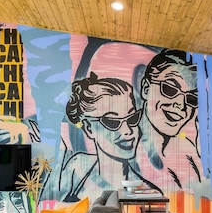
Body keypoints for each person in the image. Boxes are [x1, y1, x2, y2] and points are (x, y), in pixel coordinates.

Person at [53, 71, 151, 201]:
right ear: (89, 128)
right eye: (112, 122)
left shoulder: (145, 190)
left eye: (133, 118)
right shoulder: (77, 166)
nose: (127, 130)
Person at [135, 49, 203, 191]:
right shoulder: (127, 147)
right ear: (146, 89)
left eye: (191, 99)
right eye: (170, 89)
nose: (181, 105)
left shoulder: (187, 152)